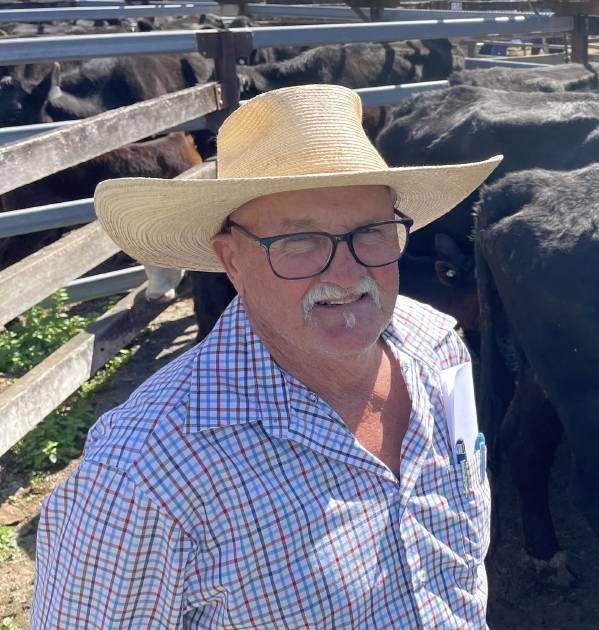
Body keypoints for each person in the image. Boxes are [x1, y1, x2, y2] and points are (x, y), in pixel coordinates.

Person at [29, 84, 502, 628]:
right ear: (230, 260)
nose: (347, 276)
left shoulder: (438, 349)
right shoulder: (141, 475)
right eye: (298, 241)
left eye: (370, 232)